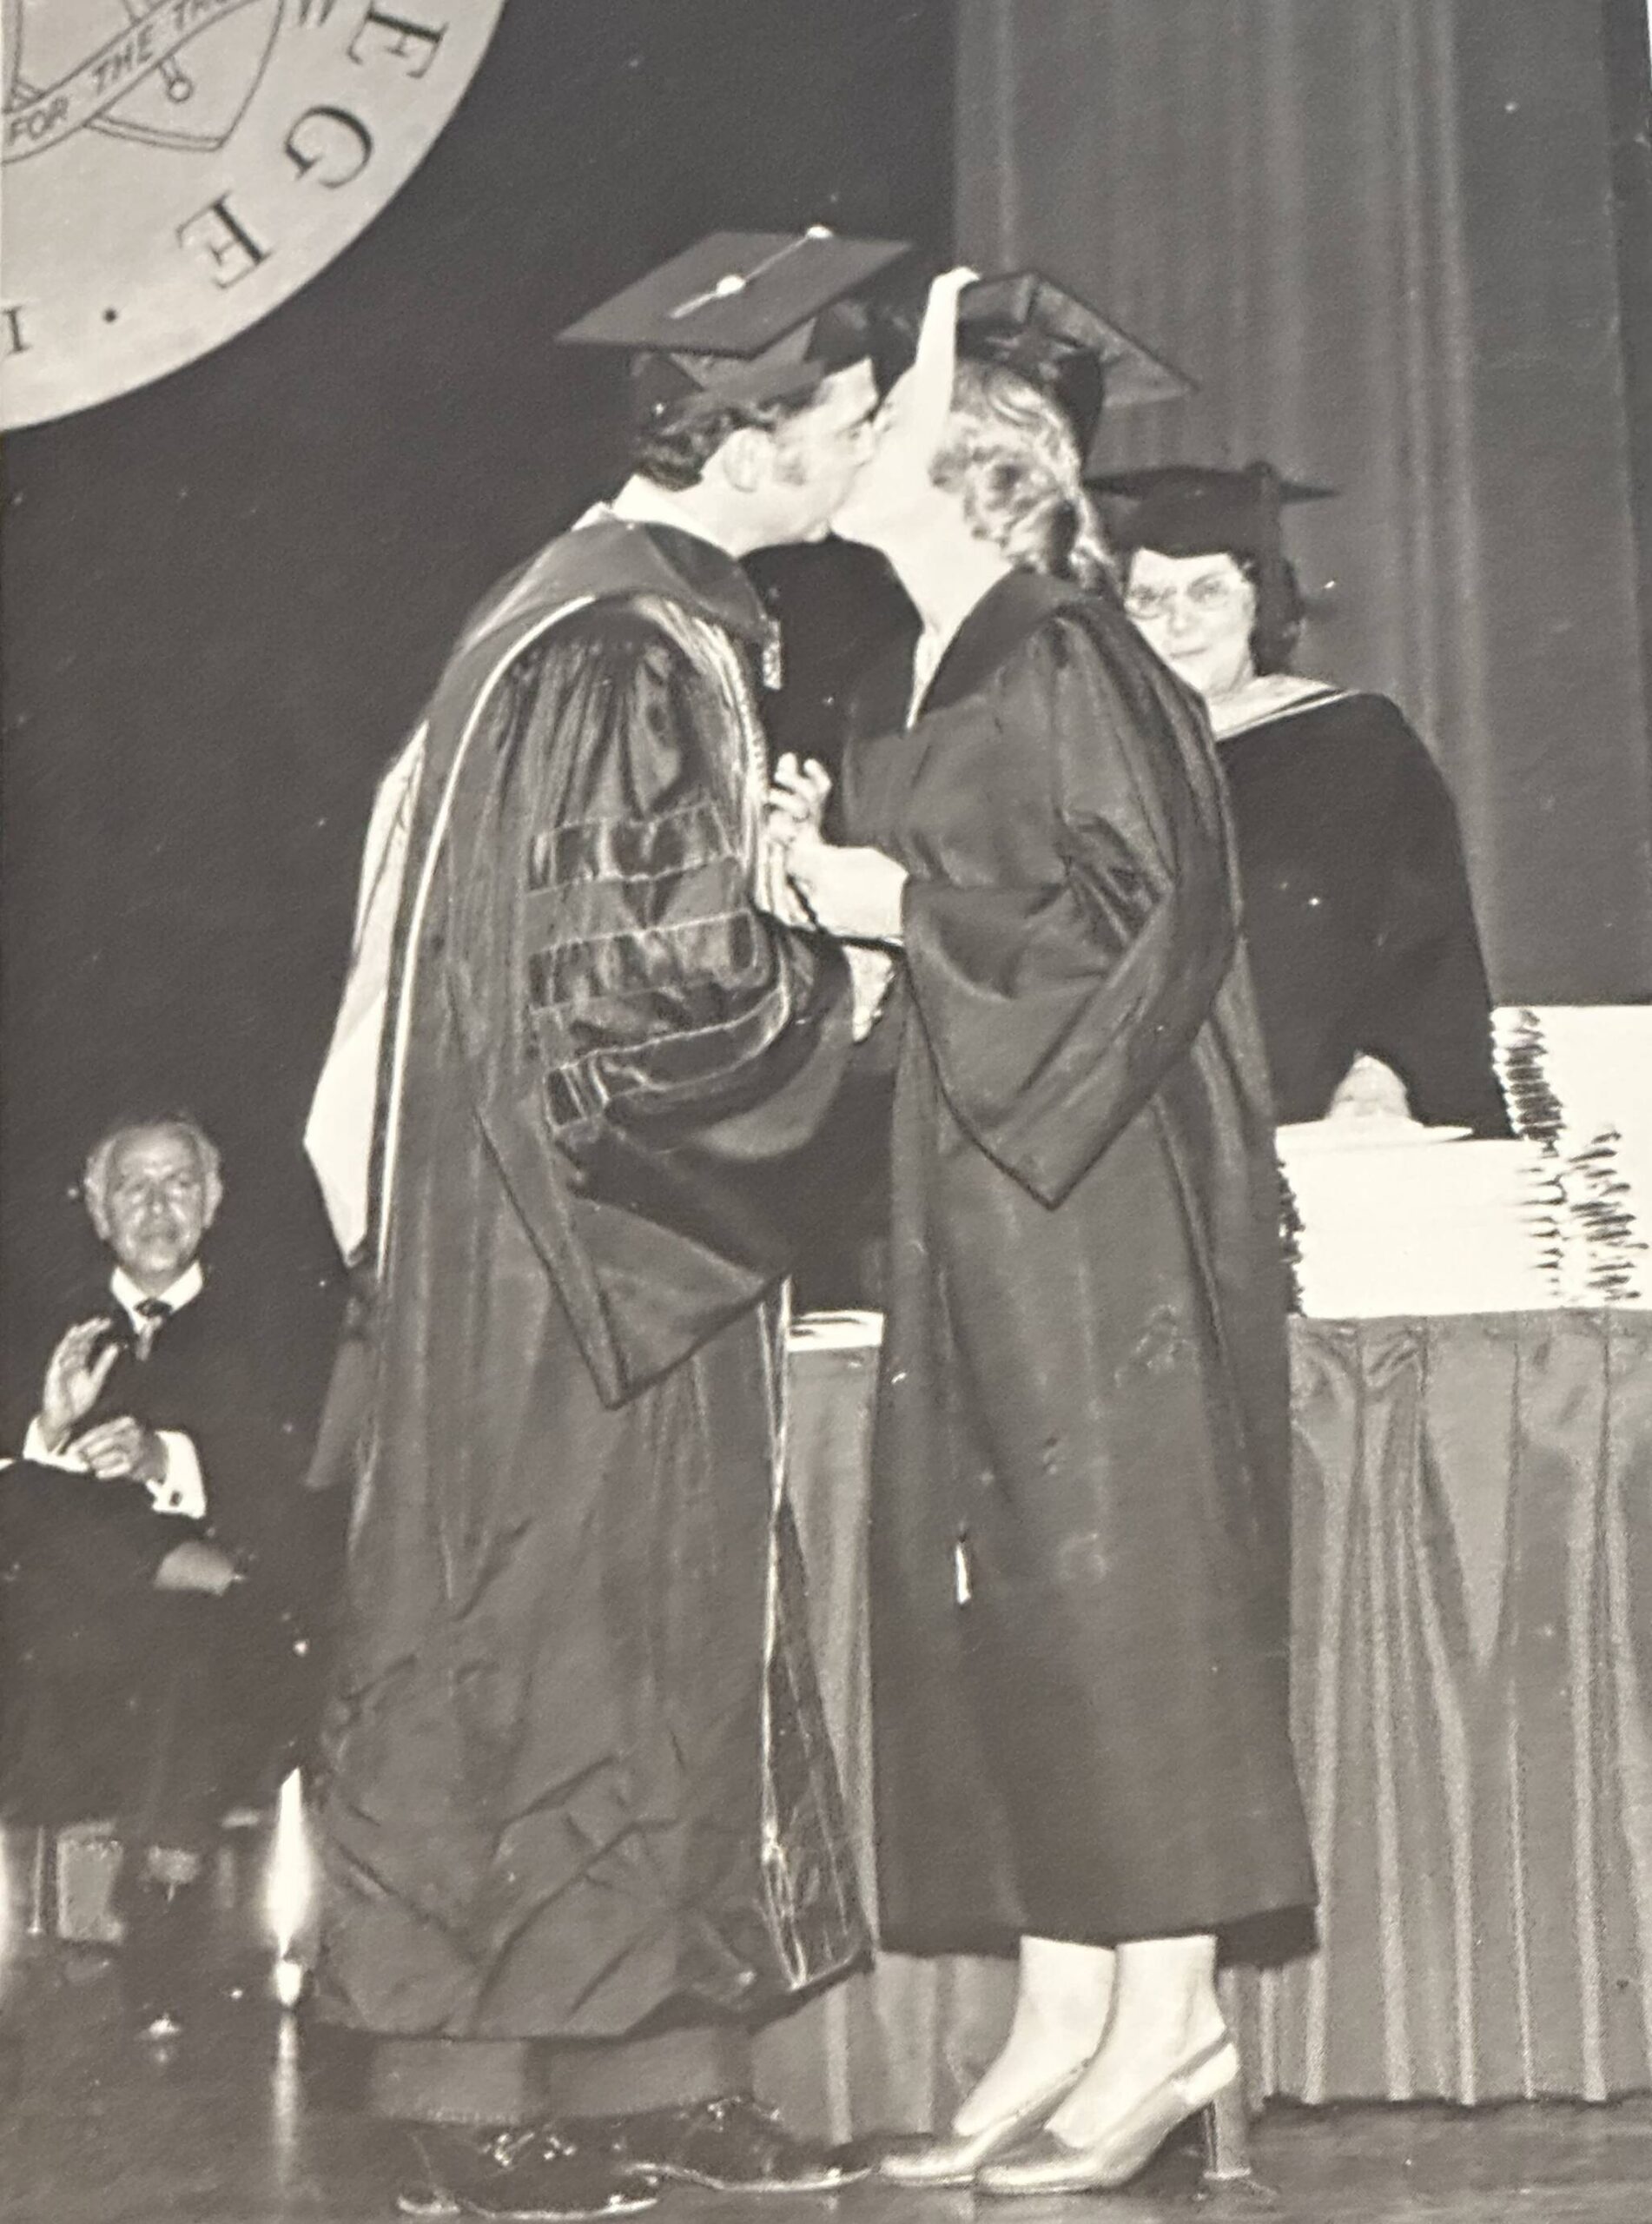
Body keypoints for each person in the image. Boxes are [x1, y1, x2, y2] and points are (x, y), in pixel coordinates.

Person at [303, 230, 907, 2223]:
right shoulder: (605, 650)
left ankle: (651, 2053)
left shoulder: (636, 620)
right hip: (563, 1255)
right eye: (841, 415)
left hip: (596, 1241)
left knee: (646, 1647)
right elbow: (633, 1000)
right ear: (744, 433)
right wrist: (852, 985)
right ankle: (476, 2090)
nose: (858, 447)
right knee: (541, 1648)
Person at [765, 275, 1315, 2196]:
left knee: (1122, 1586)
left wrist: (892, 899)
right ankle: (1065, 2006)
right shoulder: (922, 666)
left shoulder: (1074, 651)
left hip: (1100, 1192)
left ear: (978, 476)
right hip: (978, 1171)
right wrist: (832, 906)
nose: (839, 438)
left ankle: (1174, 2014)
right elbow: (955, 921)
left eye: (885, 418)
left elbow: (1149, 925)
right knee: (1006, 1588)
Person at [0, 1115, 332, 2039]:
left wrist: (160, 1459)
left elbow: (295, 1487)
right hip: (58, 1639)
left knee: (192, 1633)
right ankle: (167, 1568)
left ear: (212, 1204)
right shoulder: (35, 1325)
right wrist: (51, 1432)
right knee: (30, 1497)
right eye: (133, 1188)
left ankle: (161, 1911)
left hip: (221, 1652)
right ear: (98, 1211)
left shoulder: (278, 1324)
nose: (155, 1206)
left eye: (178, 1184)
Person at [1097, 461, 1509, 1134]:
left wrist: (1384, 1074)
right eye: (1148, 598)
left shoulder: (1354, 743)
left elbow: (1427, 942)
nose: (1176, 623)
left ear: (1262, 604)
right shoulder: (1098, 757)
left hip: (1324, 1123)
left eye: (1207, 592)